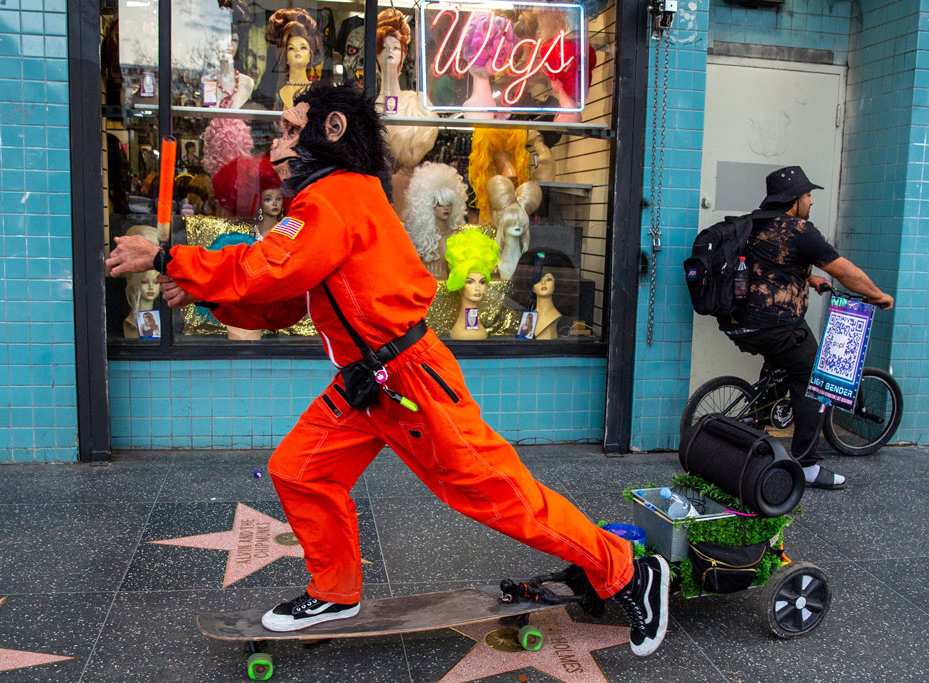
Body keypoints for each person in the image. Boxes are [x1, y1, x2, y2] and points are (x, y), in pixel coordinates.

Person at [106, 80, 669, 657]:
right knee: (300, 471)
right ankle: (334, 591)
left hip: (408, 380)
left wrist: (169, 255)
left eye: (291, 129)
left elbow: (267, 268)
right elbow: (279, 301)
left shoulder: (336, 197)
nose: (277, 142)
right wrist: (202, 293)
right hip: (366, 383)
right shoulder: (324, 201)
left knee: (498, 495)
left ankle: (627, 570)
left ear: (331, 131)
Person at [719, 166, 894, 490]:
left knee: (782, 365)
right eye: (808, 195)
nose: (811, 202)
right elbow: (845, 271)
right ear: (793, 199)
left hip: (739, 321)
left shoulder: (755, 223)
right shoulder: (798, 229)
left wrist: (808, 277)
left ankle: (754, 431)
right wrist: (877, 294)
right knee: (813, 377)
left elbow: (767, 268)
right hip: (776, 324)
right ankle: (808, 464)